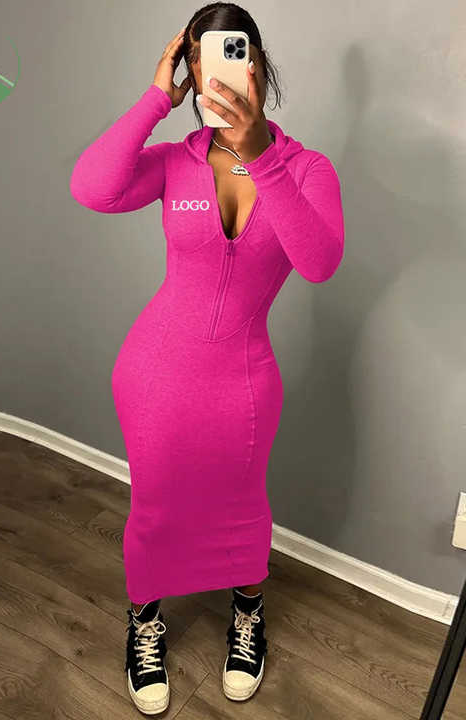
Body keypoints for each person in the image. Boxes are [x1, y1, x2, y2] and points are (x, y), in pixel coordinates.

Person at [70, 3, 344, 714]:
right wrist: (153, 101)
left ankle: (247, 614)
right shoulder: (175, 162)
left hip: (243, 380)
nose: (214, 69)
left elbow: (318, 263)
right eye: (198, 58)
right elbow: (92, 188)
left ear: (258, 66)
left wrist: (261, 156)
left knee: (241, 504)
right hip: (154, 372)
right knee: (155, 506)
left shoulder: (307, 169)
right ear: (190, 71)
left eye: (231, 51)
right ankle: (144, 622)